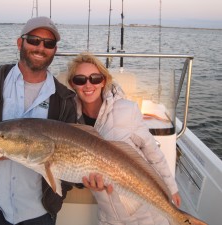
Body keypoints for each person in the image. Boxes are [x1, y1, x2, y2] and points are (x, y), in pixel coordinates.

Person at [0, 16, 77, 225]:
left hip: (40, 212)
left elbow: (71, 159)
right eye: (33, 40)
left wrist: (62, 192)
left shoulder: (65, 99)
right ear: (20, 42)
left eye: (48, 43)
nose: (40, 47)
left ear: (54, 50)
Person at [67, 52, 181, 225]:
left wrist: (171, 189)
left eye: (95, 78)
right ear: (72, 84)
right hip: (109, 215)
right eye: (80, 80)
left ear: (104, 80)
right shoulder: (69, 120)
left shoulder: (127, 110)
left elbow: (153, 152)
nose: (88, 84)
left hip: (145, 212)